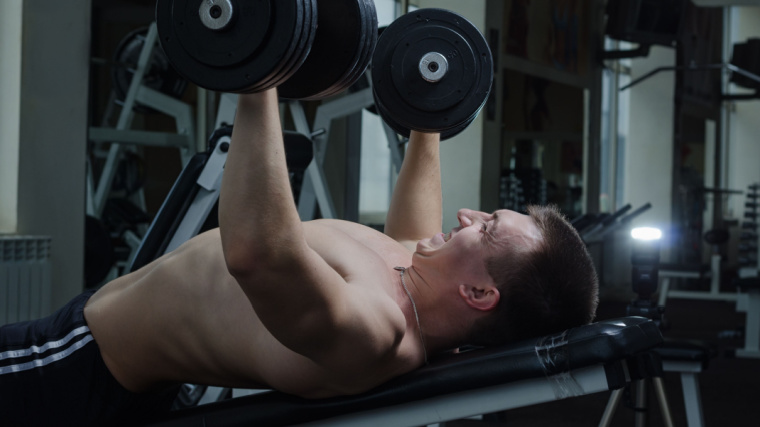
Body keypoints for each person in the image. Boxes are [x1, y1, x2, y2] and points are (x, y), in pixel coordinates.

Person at [0, 89, 598, 426]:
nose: (467, 216)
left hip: (77, 367)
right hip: (128, 375)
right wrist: (427, 121)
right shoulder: (416, 281)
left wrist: (258, 82)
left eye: (487, 227)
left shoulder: (378, 328)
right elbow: (416, 226)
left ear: (479, 294)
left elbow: (259, 255)